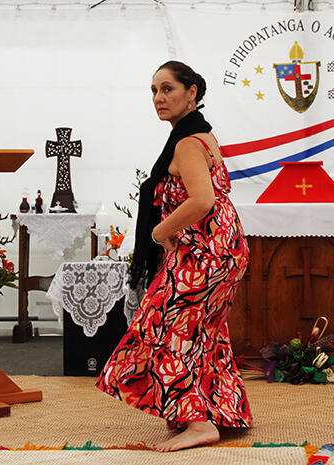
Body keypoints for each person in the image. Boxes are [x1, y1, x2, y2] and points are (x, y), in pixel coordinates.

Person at [96, 60, 251, 452]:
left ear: (192, 92)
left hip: (204, 252)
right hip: (222, 248)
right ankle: (215, 411)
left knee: (169, 327)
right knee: (204, 331)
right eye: (153, 90)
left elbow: (202, 199)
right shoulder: (201, 134)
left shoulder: (185, 141)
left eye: (167, 89)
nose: (159, 98)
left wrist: (158, 231)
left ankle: (199, 422)